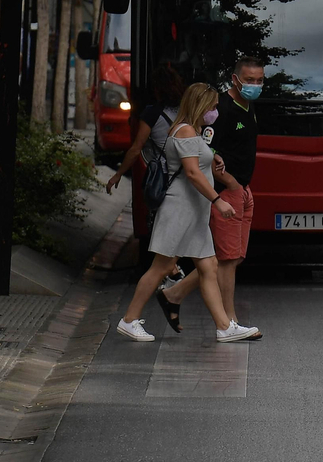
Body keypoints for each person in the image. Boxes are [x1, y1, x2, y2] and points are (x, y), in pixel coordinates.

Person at [117, 83, 258, 343]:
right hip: (179, 210)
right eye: (212, 107)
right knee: (161, 267)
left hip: (194, 213)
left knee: (209, 266)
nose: (215, 112)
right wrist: (218, 201)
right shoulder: (184, 131)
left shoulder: (192, 131)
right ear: (200, 105)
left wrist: (213, 159)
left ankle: (224, 327)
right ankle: (129, 320)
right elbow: (192, 173)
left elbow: (197, 160)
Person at [160, 57, 264, 335]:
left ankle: (174, 294)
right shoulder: (222, 110)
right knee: (226, 260)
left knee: (232, 257)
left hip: (243, 189)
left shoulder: (249, 106)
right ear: (235, 79)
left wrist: (242, 188)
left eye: (259, 80)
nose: (255, 85)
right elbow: (206, 152)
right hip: (226, 191)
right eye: (249, 80)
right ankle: (230, 322)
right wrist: (230, 185)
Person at [105, 63, 183, 196]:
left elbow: (136, 149)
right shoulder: (185, 110)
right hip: (186, 172)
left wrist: (118, 174)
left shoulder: (151, 113)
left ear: (156, 88)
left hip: (166, 175)